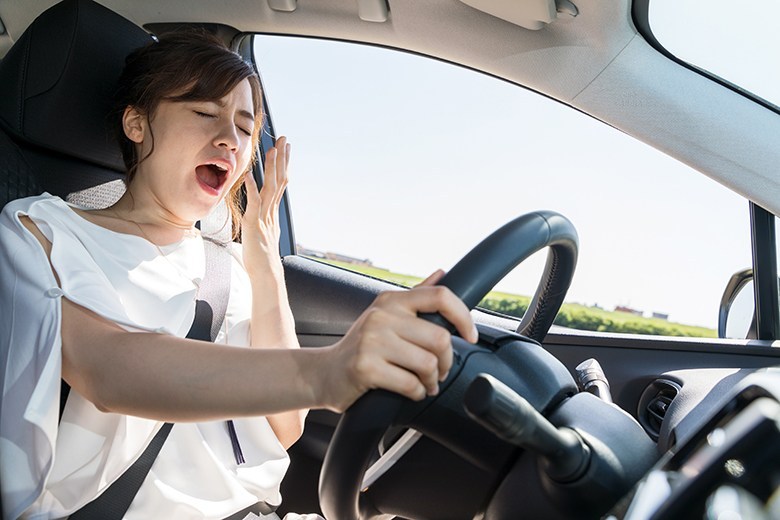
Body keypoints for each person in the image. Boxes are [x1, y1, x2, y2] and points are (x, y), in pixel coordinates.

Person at [0, 32, 477, 519]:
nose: (230, 138)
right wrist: (329, 369)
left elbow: (284, 427)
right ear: (137, 123)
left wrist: (265, 260)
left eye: (245, 127)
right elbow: (107, 367)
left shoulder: (225, 265)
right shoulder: (41, 231)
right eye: (205, 112)